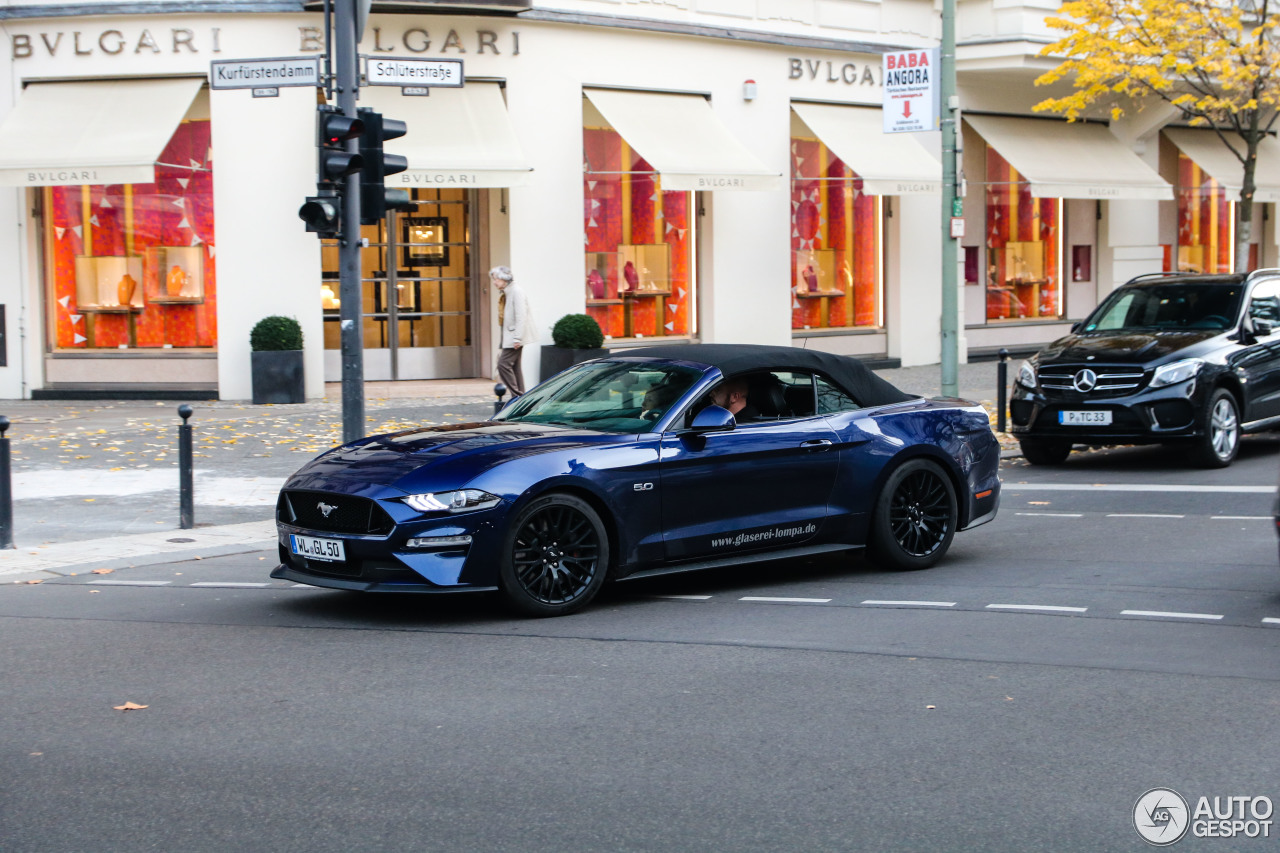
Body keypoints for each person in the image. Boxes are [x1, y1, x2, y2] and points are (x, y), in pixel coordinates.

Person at [491, 265, 530, 397]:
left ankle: (517, 396)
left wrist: (517, 337)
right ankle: (521, 398)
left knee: (503, 364)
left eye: (496, 279)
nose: (494, 282)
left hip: (514, 338)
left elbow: (521, 315)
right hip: (512, 337)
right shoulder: (508, 292)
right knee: (515, 367)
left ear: (504, 279)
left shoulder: (515, 291)